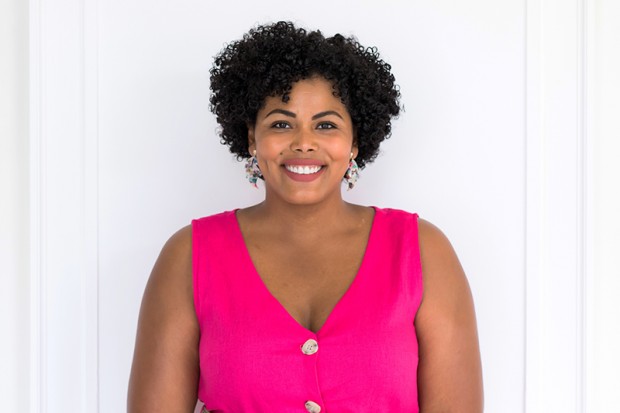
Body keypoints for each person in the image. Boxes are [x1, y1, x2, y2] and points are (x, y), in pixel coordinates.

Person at [128, 21, 483, 413]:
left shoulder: (422, 252)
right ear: (252, 137)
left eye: (326, 125)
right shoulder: (189, 256)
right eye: (281, 124)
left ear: (354, 141)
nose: (303, 143)